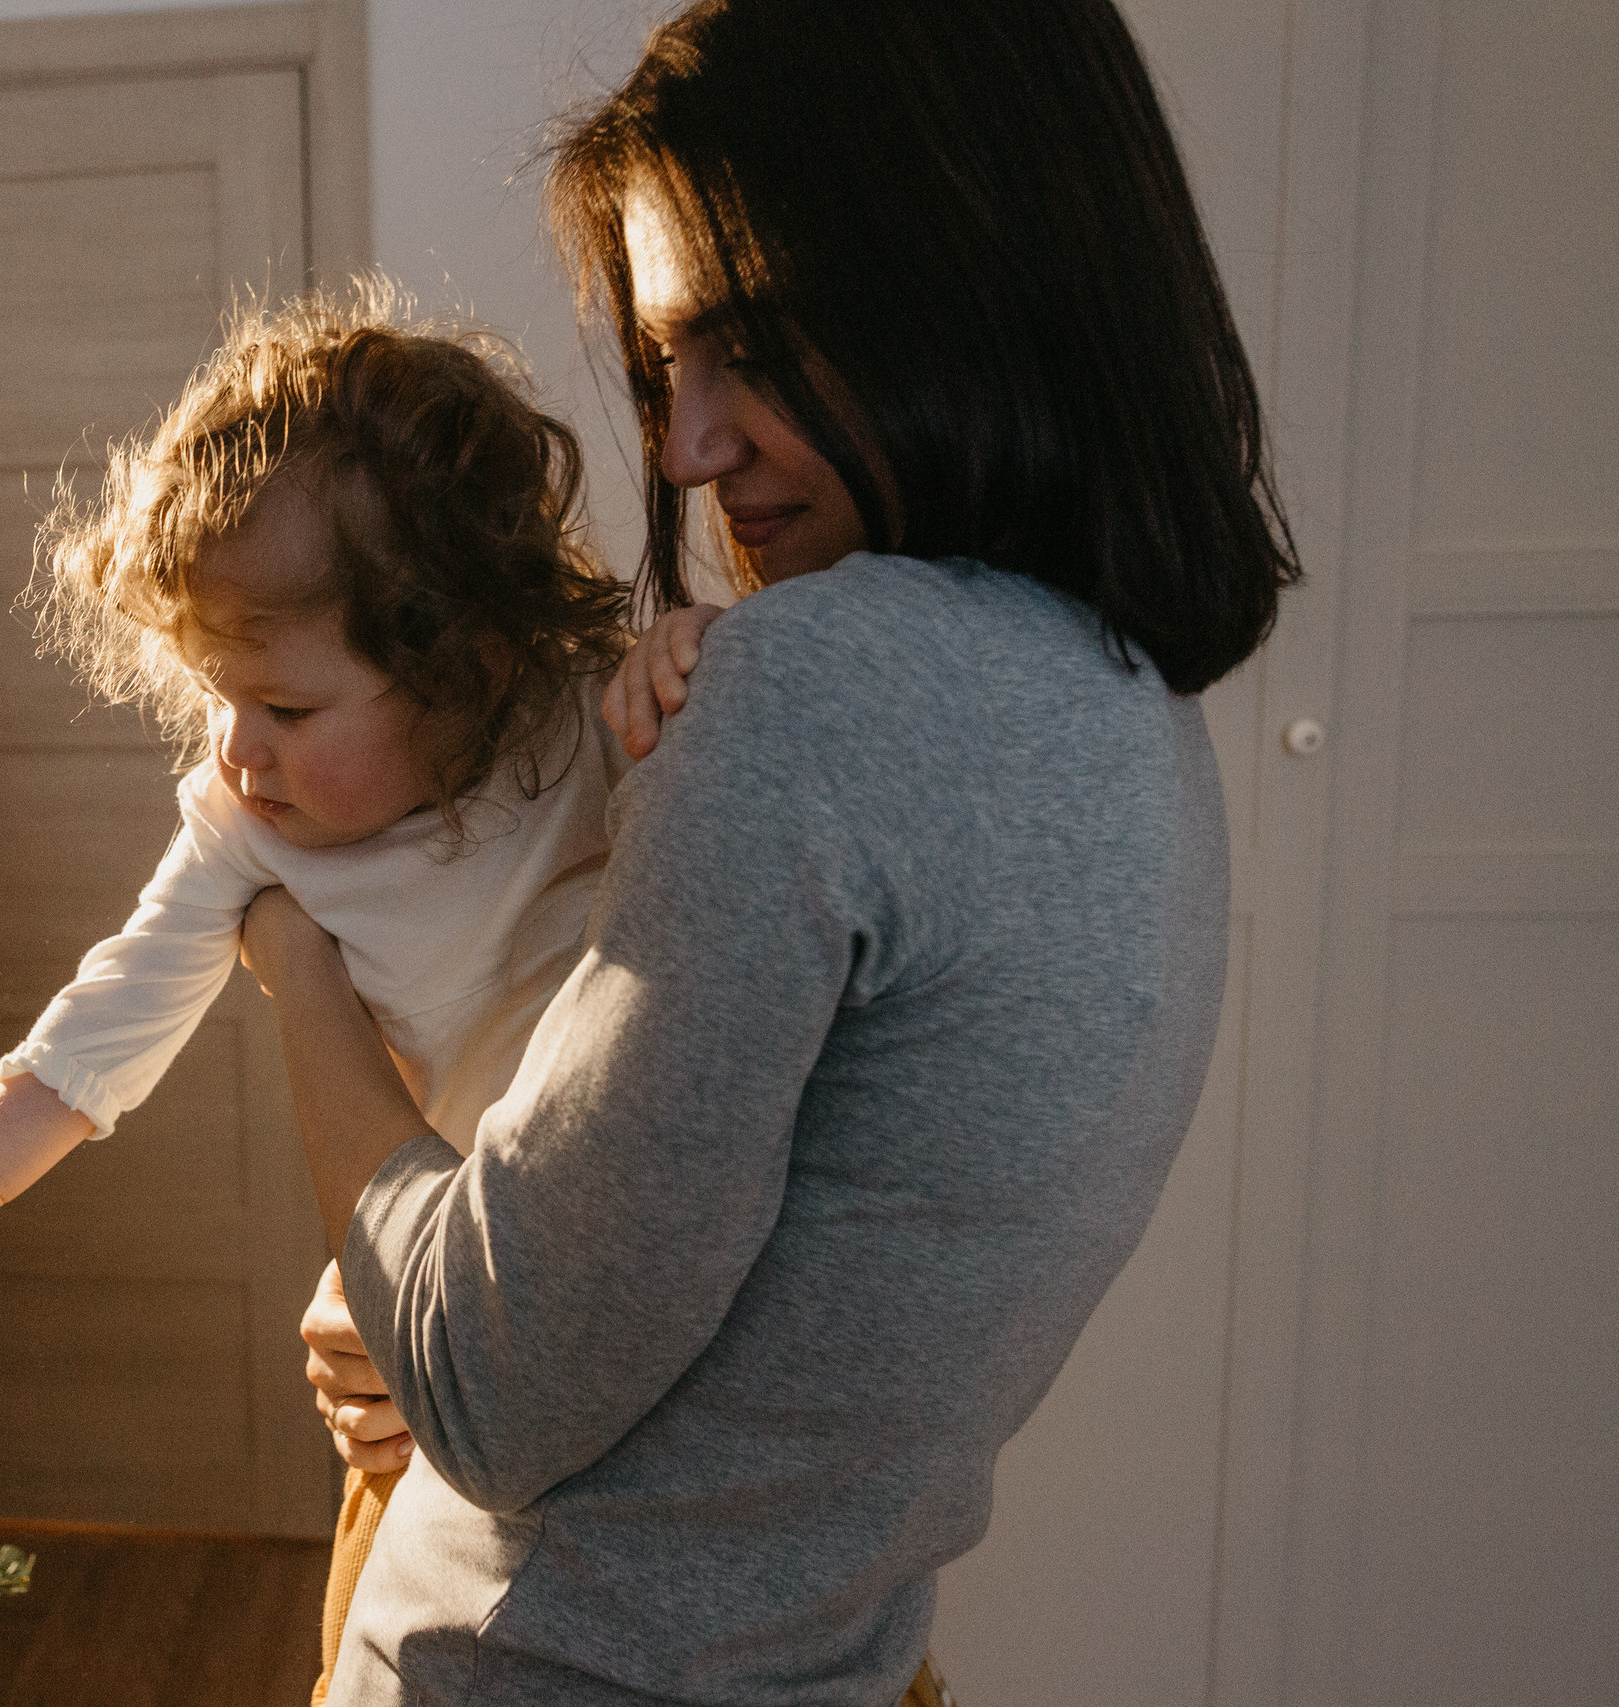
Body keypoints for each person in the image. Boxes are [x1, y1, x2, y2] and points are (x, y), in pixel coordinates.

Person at [246, 2, 1302, 1702]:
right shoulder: (1130, 711)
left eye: (751, 344)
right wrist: (431, 1248)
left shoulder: (814, 687)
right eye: (670, 363)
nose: (686, 446)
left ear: (974, 277)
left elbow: (486, 1388)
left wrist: (289, 955)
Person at [0, 293, 635, 1686]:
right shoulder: (251, 827)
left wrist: (691, 670)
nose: (236, 750)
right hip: (432, 1277)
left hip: (587, 1261)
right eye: (212, 696)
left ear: (468, 658)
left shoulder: (590, 721)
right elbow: (126, 994)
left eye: (286, 708)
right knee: (371, 1625)